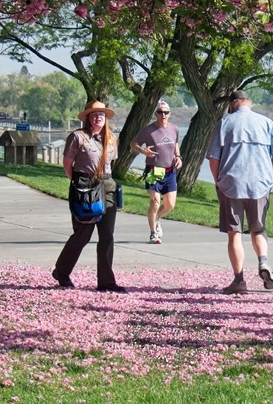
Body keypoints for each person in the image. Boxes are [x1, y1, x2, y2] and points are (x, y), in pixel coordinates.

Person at [208, 90, 273, 295]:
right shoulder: (266, 122)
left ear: (233, 104)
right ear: (248, 103)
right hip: (259, 184)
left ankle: (239, 280)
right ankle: (263, 262)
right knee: (258, 229)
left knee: (234, 233)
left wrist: (218, 181)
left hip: (231, 184)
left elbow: (213, 159)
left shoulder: (224, 123)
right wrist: (270, 179)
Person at [52, 100, 125, 293]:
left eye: (102, 114)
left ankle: (106, 282)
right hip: (85, 187)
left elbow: (111, 163)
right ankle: (61, 271)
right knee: (83, 234)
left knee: (107, 235)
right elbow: (68, 164)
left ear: (106, 118)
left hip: (107, 185)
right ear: (88, 118)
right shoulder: (78, 137)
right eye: (94, 114)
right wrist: (79, 184)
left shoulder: (111, 139)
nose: (98, 116)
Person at [130, 100, 182, 244]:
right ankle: (153, 233)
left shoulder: (174, 129)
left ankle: (157, 218)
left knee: (170, 205)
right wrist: (143, 151)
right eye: (160, 112)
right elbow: (133, 144)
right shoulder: (148, 130)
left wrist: (178, 157)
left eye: (166, 112)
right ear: (155, 114)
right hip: (154, 170)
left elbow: (175, 145)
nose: (163, 115)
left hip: (170, 171)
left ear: (169, 114)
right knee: (155, 202)